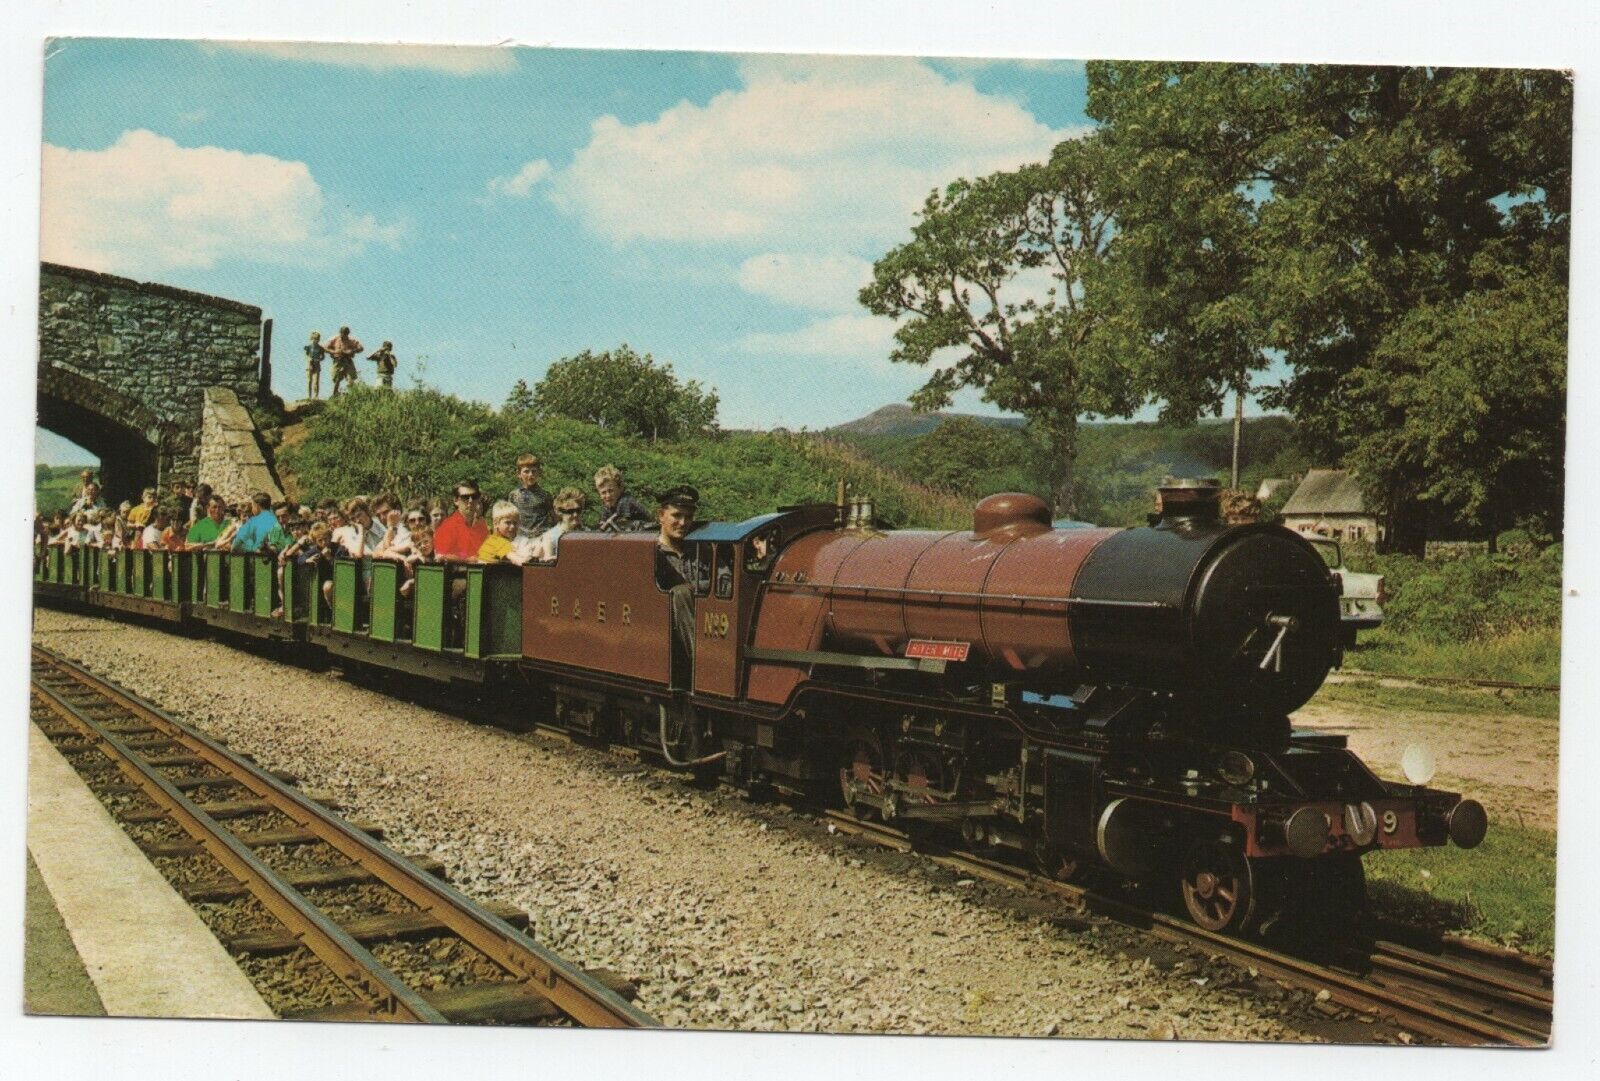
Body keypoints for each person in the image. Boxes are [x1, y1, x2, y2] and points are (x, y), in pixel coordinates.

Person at [655, 486, 700, 677]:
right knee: (681, 593)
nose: (683, 523)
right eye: (677, 515)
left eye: (688, 517)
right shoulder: (651, 554)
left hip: (709, 628)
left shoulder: (702, 549)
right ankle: (701, 663)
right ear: (661, 515)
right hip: (665, 643)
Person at [527, 487, 586, 562]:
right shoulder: (550, 537)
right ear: (559, 512)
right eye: (570, 511)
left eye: (578, 510)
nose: (575, 514)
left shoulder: (587, 533)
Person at [435, 481, 488, 561]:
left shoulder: (482, 524)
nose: (470, 501)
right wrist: (470, 560)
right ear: (456, 500)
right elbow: (441, 557)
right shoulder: (447, 526)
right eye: (465, 497)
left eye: (474, 496)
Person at [594, 465, 652, 533]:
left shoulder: (625, 501)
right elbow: (602, 527)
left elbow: (623, 528)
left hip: (647, 534)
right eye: (603, 493)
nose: (608, 495)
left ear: (620, 488)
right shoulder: (608, 507)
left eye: (611, 491)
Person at [508, 453, 553, 540]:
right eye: (526, 471)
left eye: (533, 471)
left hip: (541, 537)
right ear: (518, 474)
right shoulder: (514, 495)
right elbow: (510, 517)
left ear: (538, 472)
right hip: (521, 537)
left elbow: (554, 517)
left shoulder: (545, 495)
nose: (530, 475)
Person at [325, 326, 364, 396]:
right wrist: (334, 352)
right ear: (340, 333)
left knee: (350, 378)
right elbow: (325, 348)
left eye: (345, 334)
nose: (343, 335)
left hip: (347, 360)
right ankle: (334, 394)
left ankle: (353, 394)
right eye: (342, 333)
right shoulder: (334, 339)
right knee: (337, 379)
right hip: (338, 360)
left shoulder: (351, 340)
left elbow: (361, 347)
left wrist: (352, 351)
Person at [305, 330, 326, 400]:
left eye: (317, 339)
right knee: (309, 381)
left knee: (316, 381)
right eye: (314, 339)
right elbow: (306, 355)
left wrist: (319, 359)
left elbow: (323, 357)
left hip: (317, 365)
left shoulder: (321, 348)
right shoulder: (309, 347)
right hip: (310, 365)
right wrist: (309, 359)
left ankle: (316, 396)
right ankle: (309, 396)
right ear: (312, 339)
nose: (316, 340)